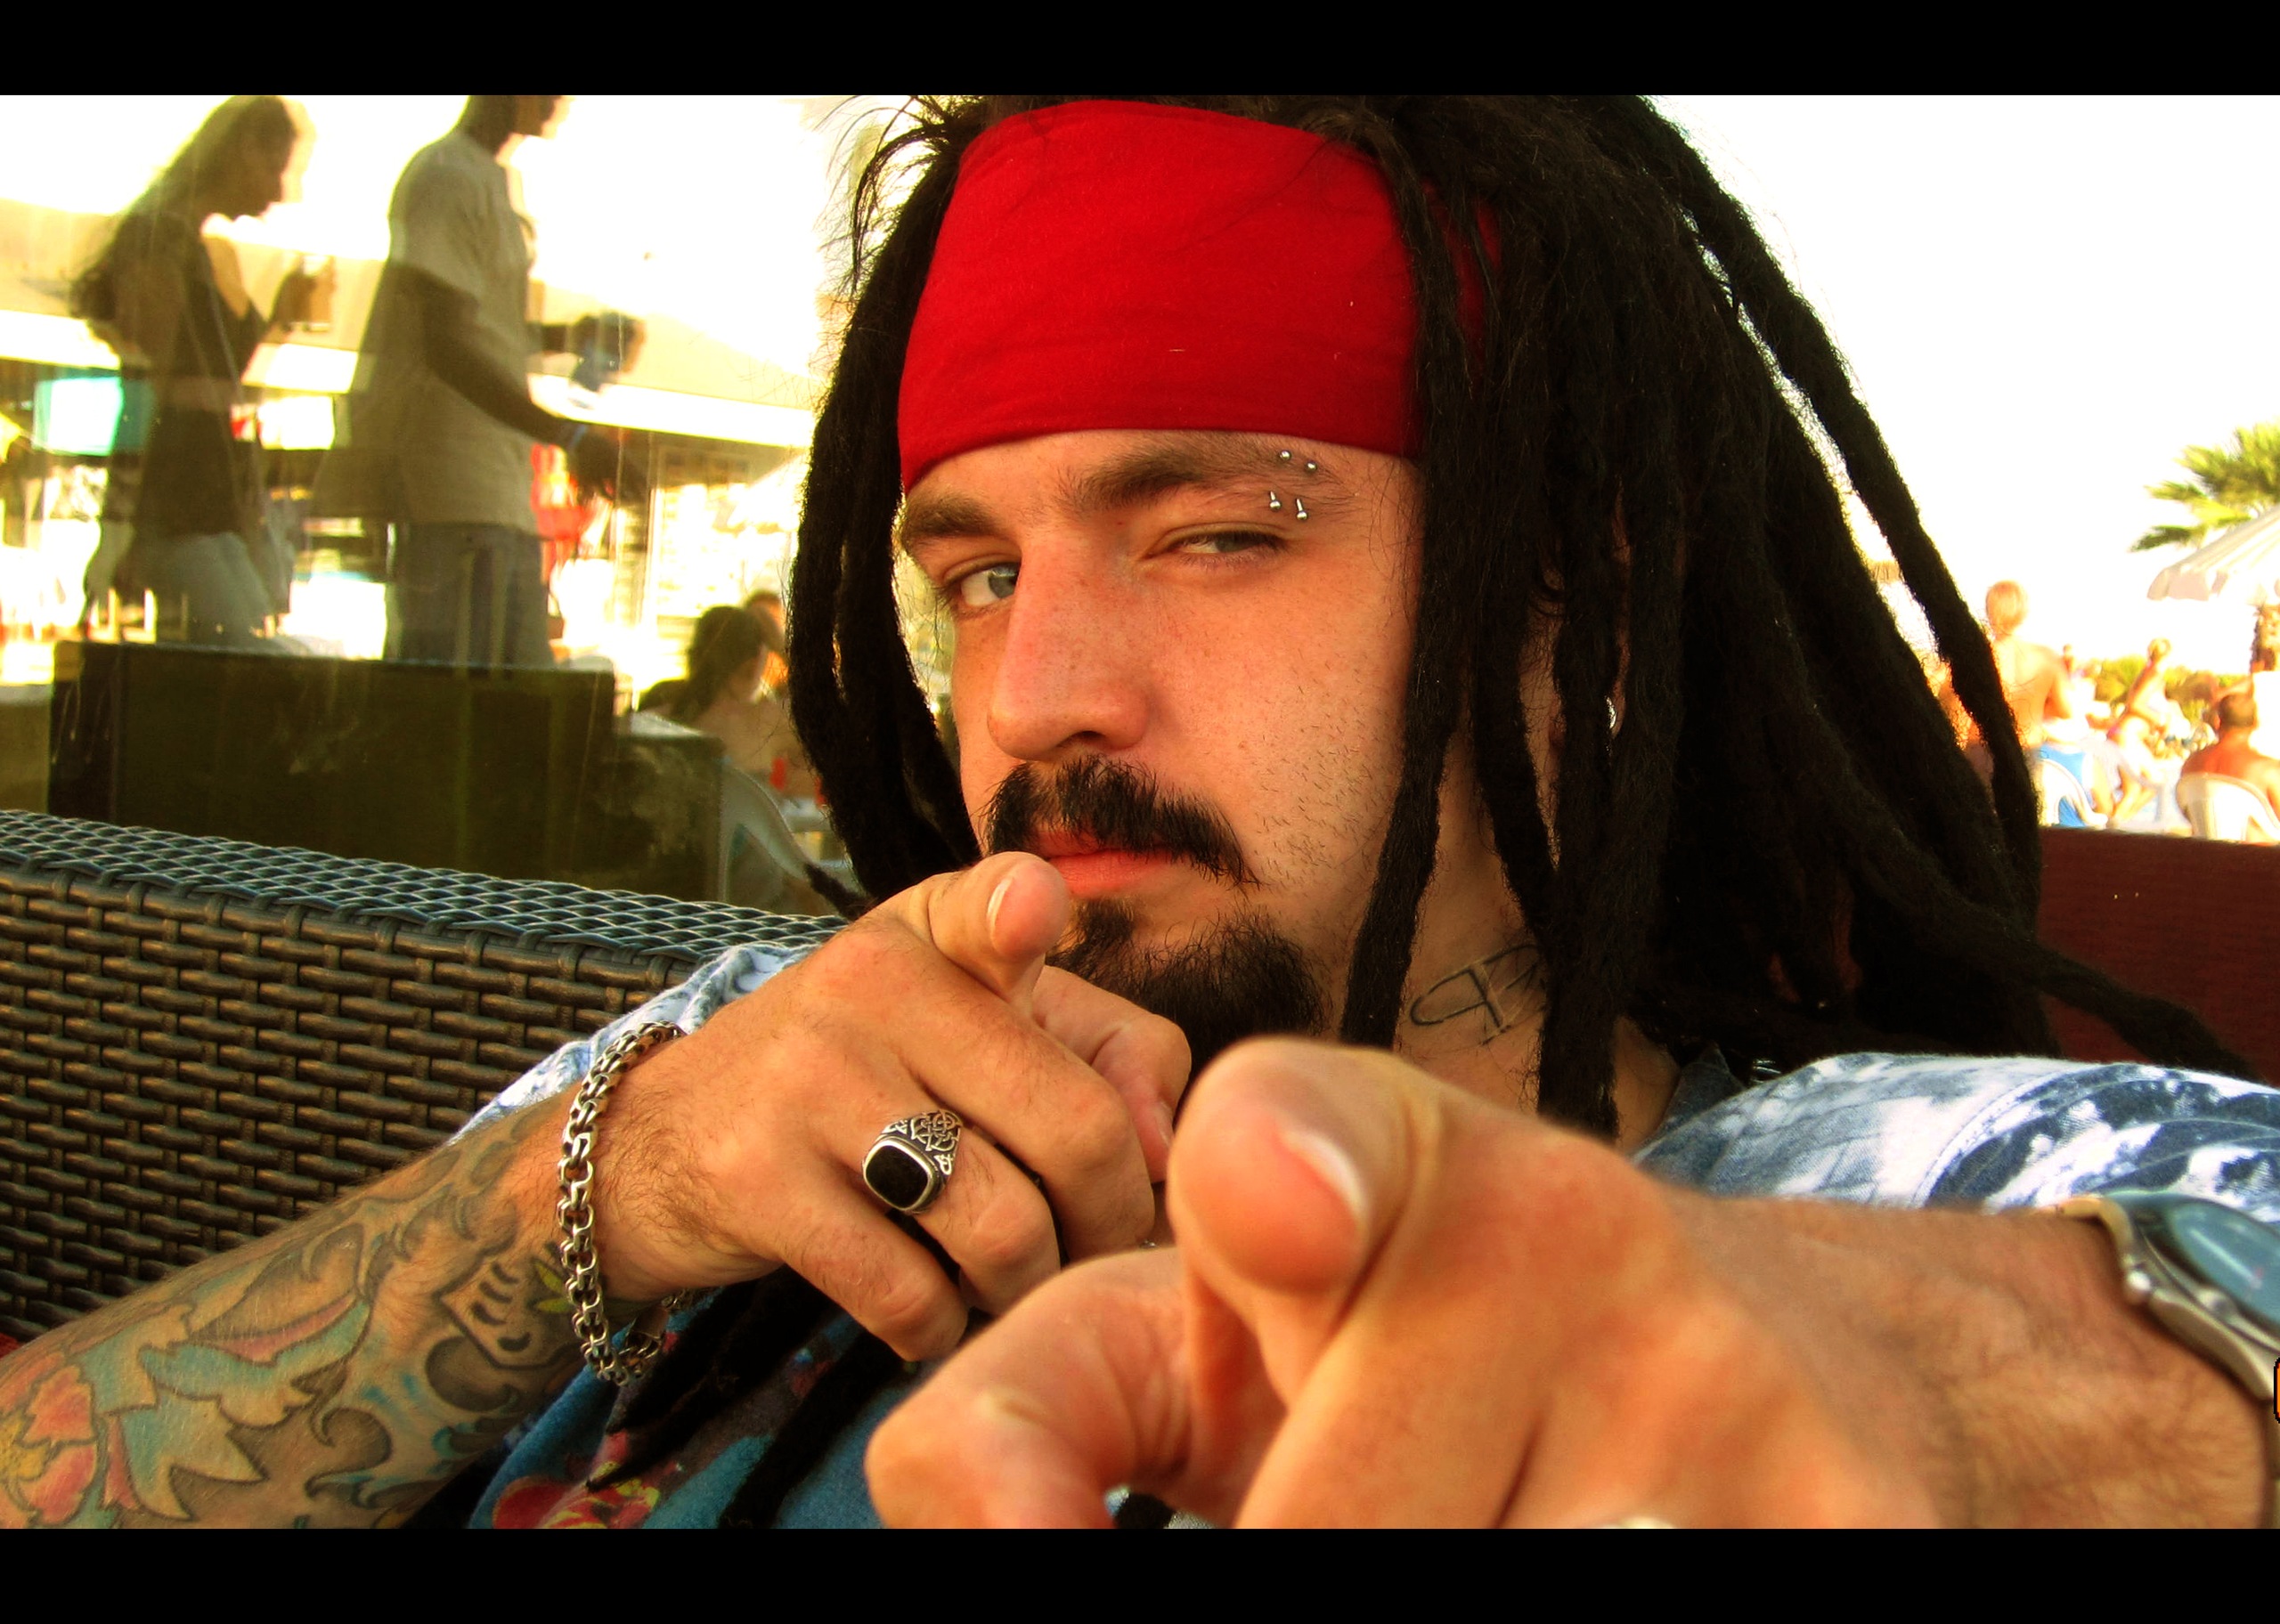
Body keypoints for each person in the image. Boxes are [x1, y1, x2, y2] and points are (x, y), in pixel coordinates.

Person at [4, 97, 2274, 1531]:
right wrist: (609, 1183)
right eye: (977, 571)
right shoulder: (730, 1074)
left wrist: (1954, 1383)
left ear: (1574, 611)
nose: (1032, 695)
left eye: (1213, 534)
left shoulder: (1921, 1184)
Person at [319, 96, 640, 669]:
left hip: (494, 491)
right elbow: (444, 346)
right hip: (449, 492)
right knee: (457, 695)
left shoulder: (488, 179)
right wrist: (568, 437)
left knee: (511, 693)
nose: (561, 102)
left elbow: (479, 330)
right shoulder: (446, 176)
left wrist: (569, 336)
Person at [69, 95, 323, 646]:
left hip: (205, 497)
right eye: (275, 167)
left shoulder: (202, 247)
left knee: (243, 646)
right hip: (176, 501)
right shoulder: (164, 245)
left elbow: (202, 379)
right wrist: (121, 525)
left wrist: (281, 321)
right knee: (244, 648)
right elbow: (156, 386)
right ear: (241, 151)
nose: (281, 192)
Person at [640, 605, 816, 797]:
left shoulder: (651, 721)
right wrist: (784, 647)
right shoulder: (767, 722)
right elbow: (833, 719)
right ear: (753, 665)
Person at [2178, 690, 2280, 841]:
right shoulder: (2267, 770)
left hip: (2204, 852)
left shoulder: (2191, 764)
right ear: (2256, 724)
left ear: (2217, 721)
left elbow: (2188, 815)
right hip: (2257, 853)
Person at [2107, 637, 2182, 824]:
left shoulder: (2148, 673)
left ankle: (2115, 825)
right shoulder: (2154, 675)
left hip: (2124, 735)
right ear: (2168, 656)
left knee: (2140, 788)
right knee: (2149, 784)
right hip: (2127, 736)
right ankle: (2112, 828)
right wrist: (2159, 719)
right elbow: (2135, 704)